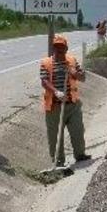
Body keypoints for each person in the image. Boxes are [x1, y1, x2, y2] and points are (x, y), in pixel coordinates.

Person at [40, 34, 90, 166]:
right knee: (55, 136)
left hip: (72, 105)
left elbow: (83, 78)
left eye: (61, 48)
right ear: (53, 49)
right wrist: (56, 92)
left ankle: (80, 154)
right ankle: (58, 162)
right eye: (56, 47)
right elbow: (44, 81)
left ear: (66, 49)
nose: (59, 50)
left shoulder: (72, 61)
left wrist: (75, 73)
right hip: (54, 106)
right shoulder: (46, 63)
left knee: (77, 130)